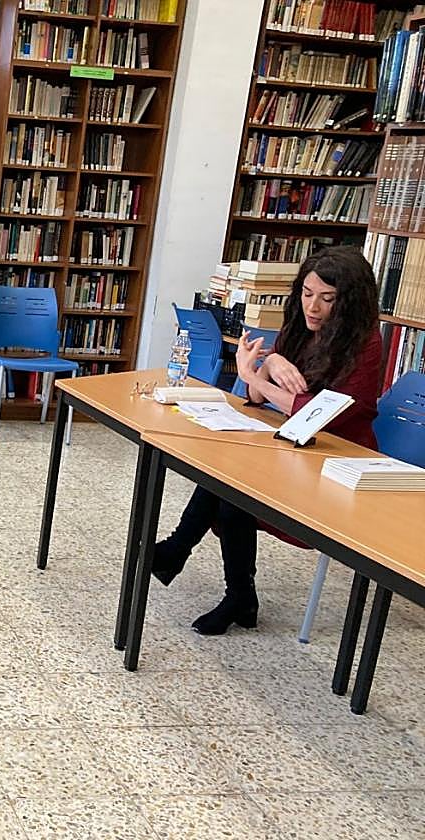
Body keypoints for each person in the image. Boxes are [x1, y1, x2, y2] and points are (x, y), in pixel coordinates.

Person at [151, 246, 383, 635]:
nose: (313, 307)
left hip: (338, 465)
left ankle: (188, 558)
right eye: (307, 294)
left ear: (350, 302)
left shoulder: (366, 344)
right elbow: (259, 399)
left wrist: (256, 375)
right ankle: (231, 591)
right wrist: (270, 364)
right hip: (296, 450)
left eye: (327, 299)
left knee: (232, 493)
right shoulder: (299, 326)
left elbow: (317, 412)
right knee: (228, 478)